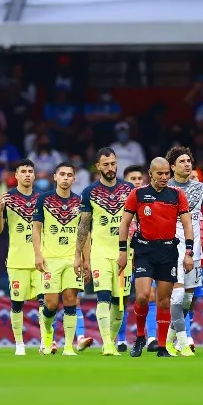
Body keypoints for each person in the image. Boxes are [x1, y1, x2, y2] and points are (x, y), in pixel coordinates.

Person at [119, 157, 194, 357]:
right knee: (143, 297)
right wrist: (123, 251)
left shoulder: (177, 195)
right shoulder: (138, 194)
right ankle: (140, 336)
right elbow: (124, 224)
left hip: (168, 251)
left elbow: (187, 225)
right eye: (159, 174)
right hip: (144, 251)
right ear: (150, 174)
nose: (163, 177)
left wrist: (188, 253)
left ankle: (162, 346)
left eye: (166, 174)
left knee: (163, 301)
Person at [76, 148, 135, 356]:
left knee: (120, 304)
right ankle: (108, 345)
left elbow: (136, 223)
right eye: (106, 164)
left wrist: (135, 252)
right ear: (98, 166)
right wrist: (80, 257)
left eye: (113, 163)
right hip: (99, 253)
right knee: (103, 297)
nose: (110, 168)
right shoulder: (89, 192)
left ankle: (109, 341)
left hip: (124, 254)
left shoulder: (129, 189)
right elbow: (83, 227)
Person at [165, 147, 203, 356]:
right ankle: (183, 343)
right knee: (178, 295)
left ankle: (168, 341)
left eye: (189, 160)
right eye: (182, 161)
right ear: (172, 167)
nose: (187, 164)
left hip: (195, 250)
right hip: (172, 249)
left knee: (188, 300)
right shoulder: (166, 188)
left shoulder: (200, 188)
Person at [33, 162, 84, 356]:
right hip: (50, 259)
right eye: (61, 174)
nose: (65, 178)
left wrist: (85, 259)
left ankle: (69, 347)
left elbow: (84, 233)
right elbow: (36, 229)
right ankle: (47, 336)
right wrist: (38, 254)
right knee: (51, 304)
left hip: (72, 259)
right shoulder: (43, 200)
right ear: (55, 177)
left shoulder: (80, 202)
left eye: (69, 175)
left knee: (71, 299)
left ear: (73, 178)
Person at [0, 160, 41, 355]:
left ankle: (45, 342)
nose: (28, 174)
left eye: (31, 171)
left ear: (34, 175)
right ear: (17, 175)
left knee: (47, 301)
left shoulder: (43, 198)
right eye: (23, 171)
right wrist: (0, 210)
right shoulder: (7, 198)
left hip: (40, 259)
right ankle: (19, 344)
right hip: (17, 259)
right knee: (17, 303)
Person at [115, 164, 144, 351]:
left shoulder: (148, 201)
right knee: (121, 298)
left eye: (140, 179)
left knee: (148, 296)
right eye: (133, 179)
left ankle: (150, 339)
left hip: (143, 254)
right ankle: (121, 339)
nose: (137, 182)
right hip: (124, 254)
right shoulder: (116, 202)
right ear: (125, 182)